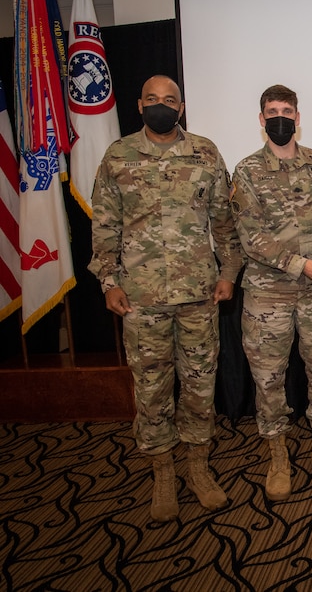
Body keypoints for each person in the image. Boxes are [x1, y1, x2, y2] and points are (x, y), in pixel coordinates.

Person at [88, 75, 243, 523]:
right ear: (140, 105)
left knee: (199, 385)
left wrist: (229, 272)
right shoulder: (119, 155)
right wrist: (108, 282)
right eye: (153, 99)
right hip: (141, 297)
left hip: (198, 293)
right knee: (152, 389)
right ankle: (162, 473)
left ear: (182, 106)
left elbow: (224, 220)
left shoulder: (205, 152)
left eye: (169, 100)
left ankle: (197, 468)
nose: (161, 105)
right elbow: (104, 226)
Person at [230, 84, 312, 501]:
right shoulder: (246, 171)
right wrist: (300, 265)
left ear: (298, 117)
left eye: (287, 110)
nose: (280, 117)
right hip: (268, 293)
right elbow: (250, 235)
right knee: (269, 378)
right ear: (262, 120)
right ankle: (278, 455)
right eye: (272, 111)